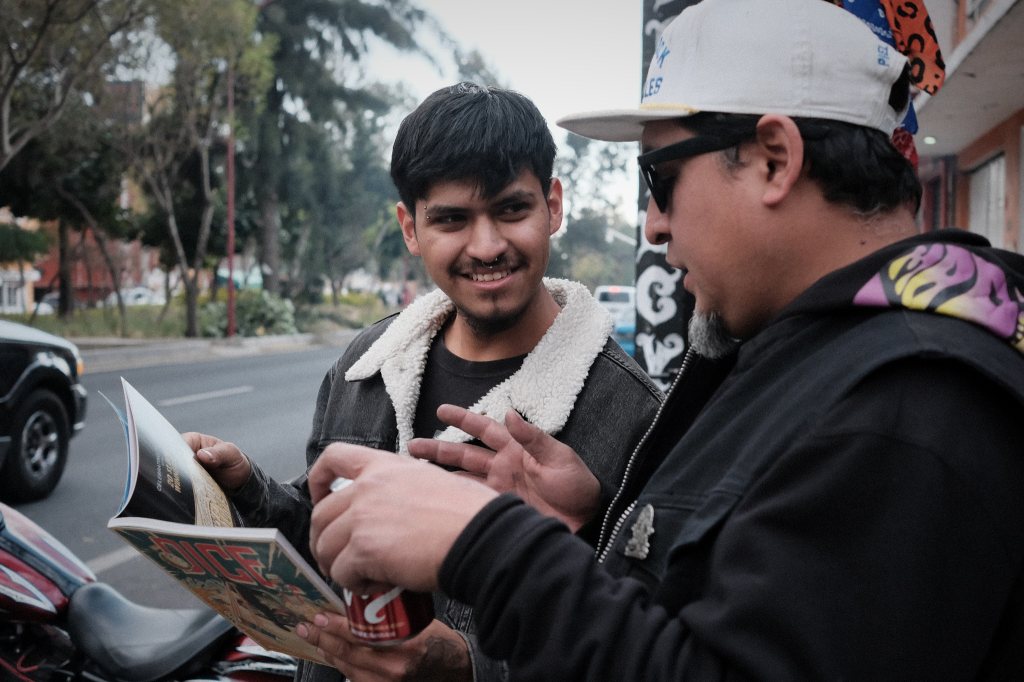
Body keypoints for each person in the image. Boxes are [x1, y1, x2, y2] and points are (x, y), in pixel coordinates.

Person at [300, 0, 1024, 679]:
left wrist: (484, 543)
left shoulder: (909, 404)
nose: (652, 224)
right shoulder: (818, 359)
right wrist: (595, 528)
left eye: (662, 177)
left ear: (775, 158)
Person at [185, 81, 662, 682]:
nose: (486, 246)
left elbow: (647, 641)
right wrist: (249, 490)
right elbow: (323, 538)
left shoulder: (632, 411)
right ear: (410, 229)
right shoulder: (366, 365)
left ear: (554, 206)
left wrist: (466, 664)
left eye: (512, 209)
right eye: (453, 220)